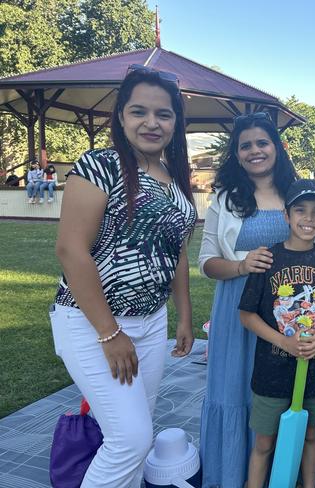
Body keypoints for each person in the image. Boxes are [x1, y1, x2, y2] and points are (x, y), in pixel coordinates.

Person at [50, 65, 196, 487]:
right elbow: (70, 250)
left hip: (151, 322)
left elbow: (177, 250)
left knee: (133, 431)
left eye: (163, 114)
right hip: (91, 322)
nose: (151, 122)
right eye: (139, 111)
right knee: (130, 440)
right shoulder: (100, 165)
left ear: (175, 121)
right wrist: (110, 333)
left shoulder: (174, 177)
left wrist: (183, 315)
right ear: (121, 116)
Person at [198, 113, 315, 488]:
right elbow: (206, 262)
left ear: (276, 147)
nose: (254, 151)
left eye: (262, 142)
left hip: (291, 312)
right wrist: (240, 265)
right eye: (245, 145)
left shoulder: (297, 192)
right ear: (237, 153)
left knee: (284, 393)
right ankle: (236, 475)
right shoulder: (225, 198)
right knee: (237, 392)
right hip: (241, 306)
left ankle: (286, 476)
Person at [239, 179, 315, 488]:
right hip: (272, 370)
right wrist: (284, 341)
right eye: (300, 210)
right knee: (264, 443)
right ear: (286, 216)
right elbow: (246, 315)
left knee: (310, 435)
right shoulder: (267, 259)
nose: (308, 219)